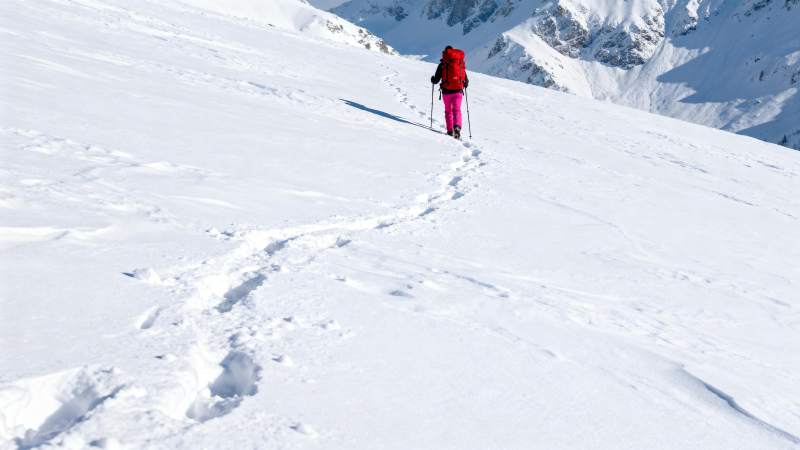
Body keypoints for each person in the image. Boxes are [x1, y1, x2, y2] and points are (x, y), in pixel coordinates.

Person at [430, 46, 469, 139]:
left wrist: (433, 79)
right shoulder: (459, 63)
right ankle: (457, 127)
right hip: (458, 91)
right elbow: (466, 81)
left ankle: (450, 131)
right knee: (457, 110)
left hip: (446, 92)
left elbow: (436, 80)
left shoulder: (443, 64)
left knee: (448, 111)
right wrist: (464, 85)